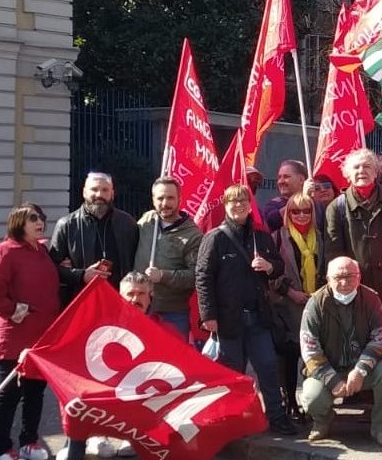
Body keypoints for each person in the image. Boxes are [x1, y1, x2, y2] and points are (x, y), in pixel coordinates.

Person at [195, 184, 295, 435]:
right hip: (228, 321)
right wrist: (208, 316)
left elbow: (280, 266)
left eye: (243, 201)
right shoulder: (215, 238)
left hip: (258, 319)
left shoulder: (260, 237)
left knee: (268, 368)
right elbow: (203, 277)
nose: (238, 206)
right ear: (226, 206)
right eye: (233, 202)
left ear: (250, 205)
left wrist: (269, 267)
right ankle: (230, 421)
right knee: (232, 374)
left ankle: (277, 417)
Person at [54, 271, 157, 460]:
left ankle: (154, 454)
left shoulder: (161, 329)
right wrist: (36, 354)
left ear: (150, 297)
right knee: (78, 398)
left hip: (141, 394)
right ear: (119, 296)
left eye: (141, 294)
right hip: (105, 391)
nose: (134, 299)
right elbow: (69, 351)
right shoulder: (101, 326)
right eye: (129, 294)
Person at [0, 203, 60, 460]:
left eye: (42, 218)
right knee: (8, 395)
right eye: (33, 218)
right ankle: (1, 450)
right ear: (18, 222)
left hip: (41, 335)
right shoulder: (3, 252)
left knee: (35, 393)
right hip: (13, 337)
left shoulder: (42, 251)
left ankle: (29, 441)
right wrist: (15, 310)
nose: (40, 222)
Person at [299, 256, 382, 446]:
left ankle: (380, 426)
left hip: (361, 369)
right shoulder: (315, 304)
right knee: (311, 397)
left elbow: (380, 339)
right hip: (328, 370)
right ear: (328, 279)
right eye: (338, 278)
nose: (344, 283)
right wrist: (333, 380)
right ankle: (322, 421)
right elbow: (309, 349)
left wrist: (360, 370)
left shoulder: (371, 299)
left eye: (350, 276)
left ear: (359, 277)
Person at [325, 148, 382, 320]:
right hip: (356, 293)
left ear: (376, 172)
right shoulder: (336, 208)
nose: (361, 171)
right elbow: (333, 255)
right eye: (356, 167)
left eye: (367, 166)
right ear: (348, 175)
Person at [270, 191, 326, 421]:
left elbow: (325, 269)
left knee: (313, 355)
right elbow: (270, 274)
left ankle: (315, 403)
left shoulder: (320, 237)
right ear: (287, 213)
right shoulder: (277, 238)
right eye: (295, 211)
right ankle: (290, 401)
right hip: (286, 306)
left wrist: (318, 294)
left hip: (314, 305)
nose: (301, 215)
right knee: (289, 357)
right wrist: (291, 293)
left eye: (306, 210)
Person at [50, 172, 139, 305]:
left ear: (112, 193)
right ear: (84, 192)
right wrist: (81, 275)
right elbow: (51, 268)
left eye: (105, 190)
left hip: (119, 301)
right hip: (81, 302)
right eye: (94, 189)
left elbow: (137, 261)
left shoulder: (128, 223)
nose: (99, 195)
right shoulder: (67, 225)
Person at [133, 177, 203, 340]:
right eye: (160, 198)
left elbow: (195, 276)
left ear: (180, 199)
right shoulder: (147, 220)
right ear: (153, 199)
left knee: (173, 362)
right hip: (139, 307)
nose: (165, 203)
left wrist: (163, 276)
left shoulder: (193, 235)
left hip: (173, 313)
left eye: (170, 198)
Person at [263, 160, 308, 231]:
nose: (281, 181)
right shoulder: (274, 204)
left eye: (286, 177)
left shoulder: (316, 205)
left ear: (301, 179)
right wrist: (302, 199)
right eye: (279, 177)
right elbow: (271, 222)